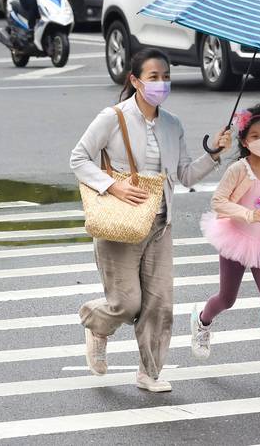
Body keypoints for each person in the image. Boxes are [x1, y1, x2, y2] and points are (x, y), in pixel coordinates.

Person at [71, 48, 232, 392]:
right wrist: (113, 186)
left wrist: (214, 153)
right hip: (121, 225)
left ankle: (150, 372)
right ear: (135, 80)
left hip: (160, 225)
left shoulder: (173, 124)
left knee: (159, 304)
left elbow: (185, 176)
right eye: (153, 77)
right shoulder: (112, 117)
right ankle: (96, 324)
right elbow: (79, 158)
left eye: (165, 77)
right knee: (126, 302)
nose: (161, 83)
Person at [190, 103, 260, 384]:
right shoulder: (240, 169)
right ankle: (202, 320)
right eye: (255, 136)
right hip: (236, 238)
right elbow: (218, 202)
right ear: (244, 141)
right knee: (227, 298)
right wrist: (246, 213)